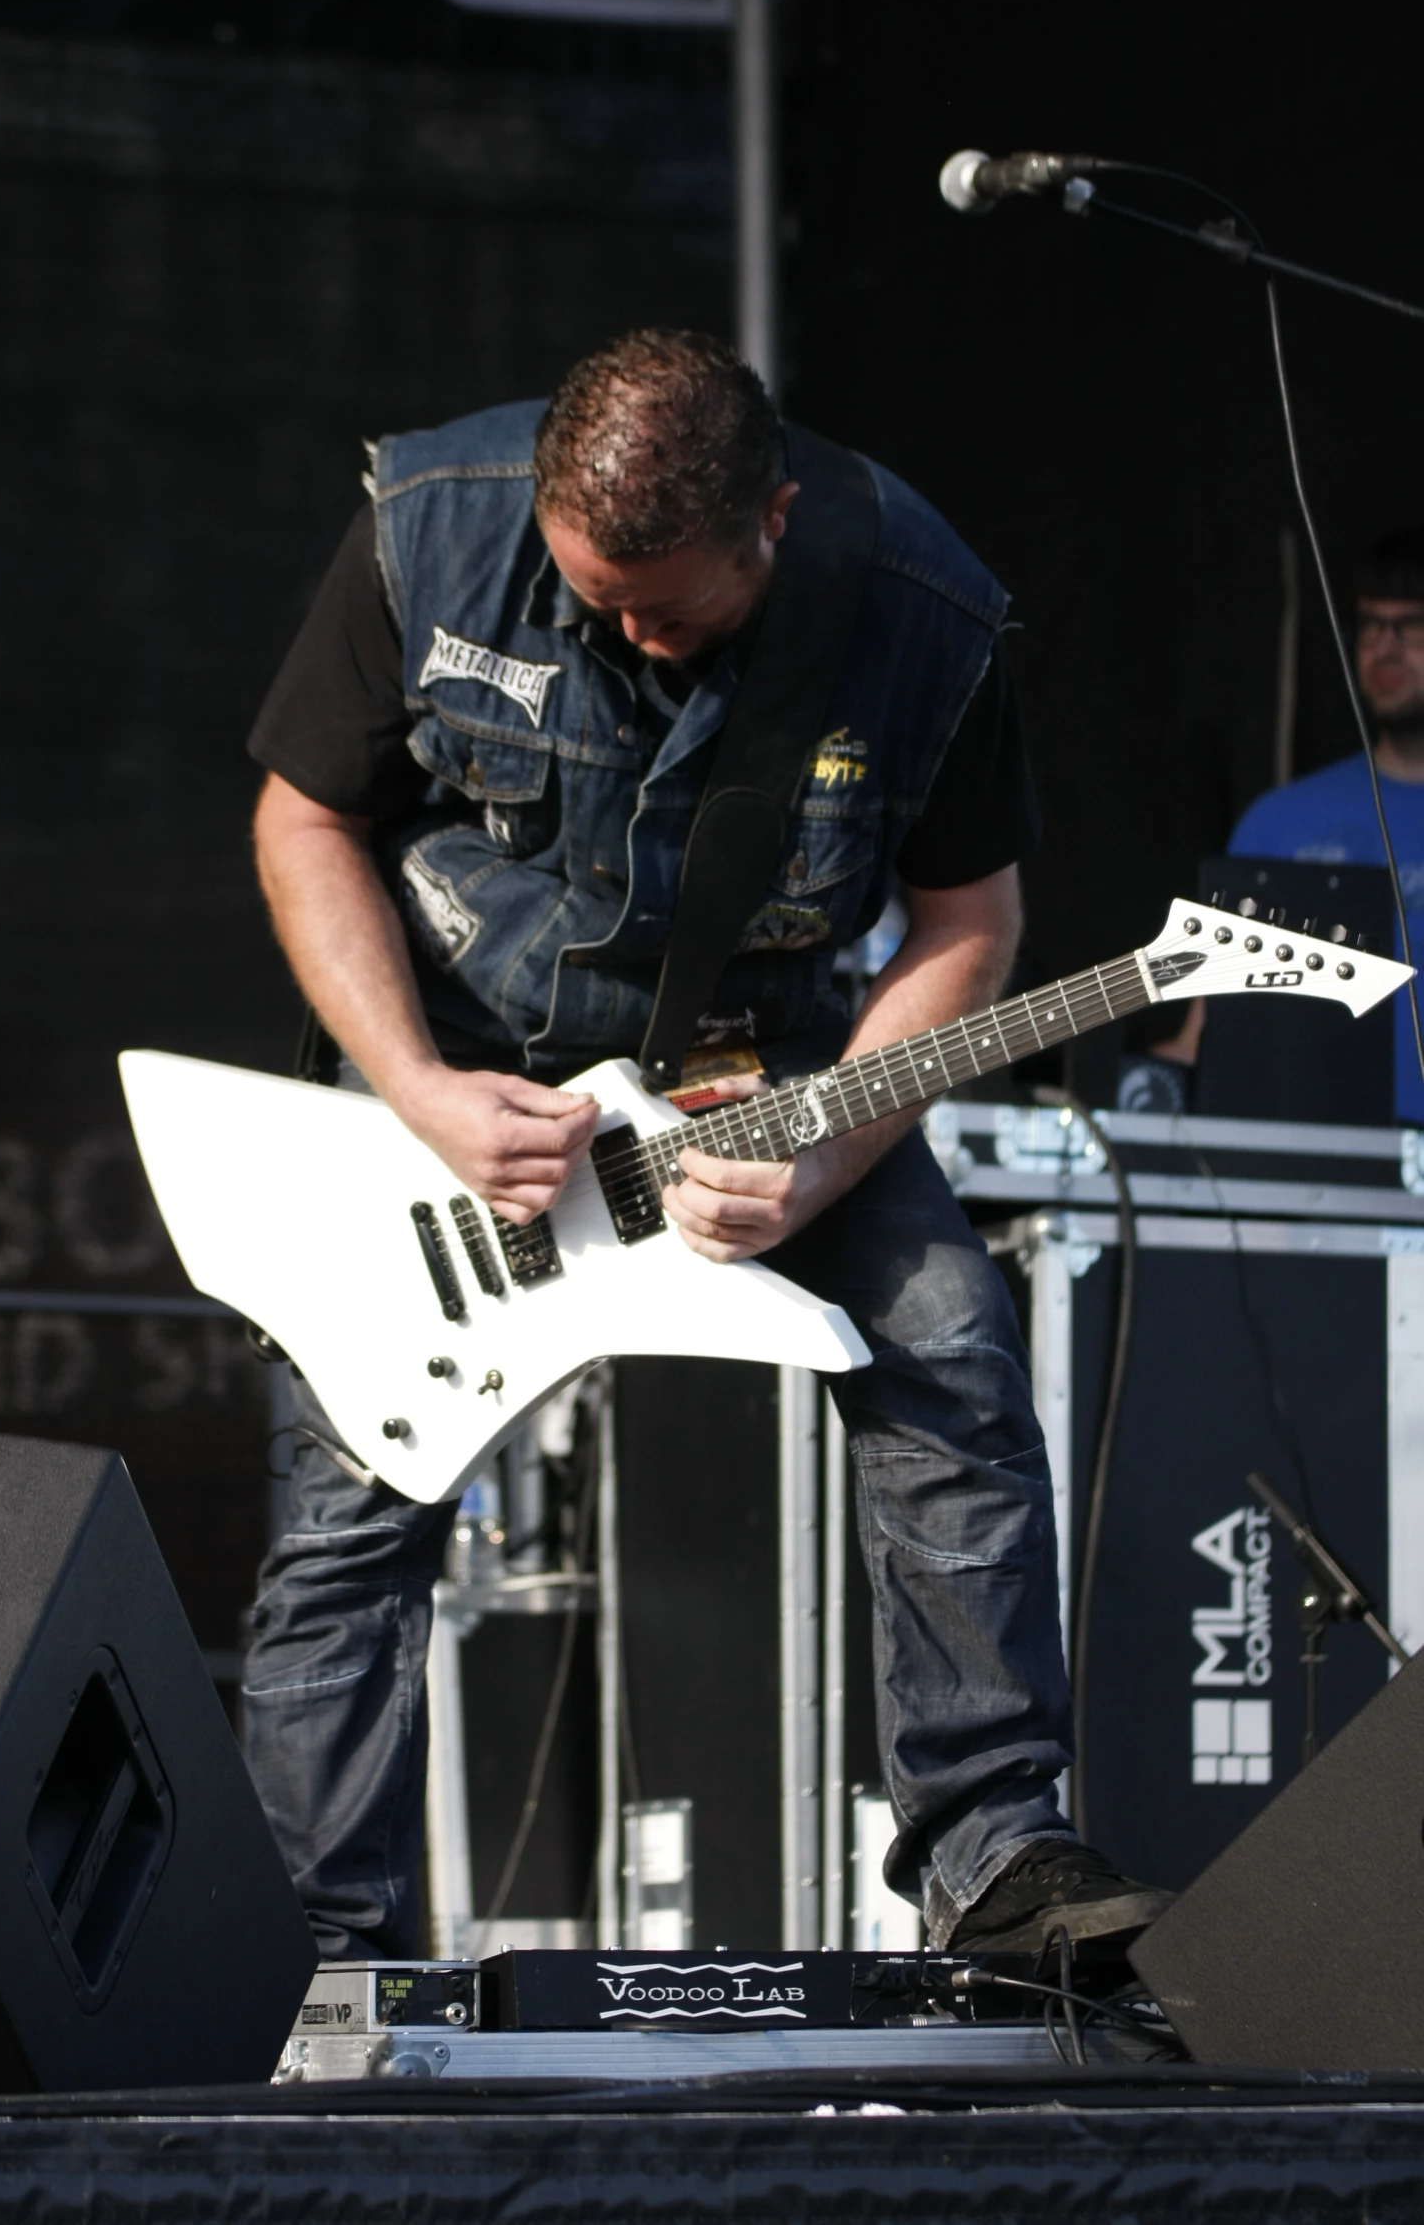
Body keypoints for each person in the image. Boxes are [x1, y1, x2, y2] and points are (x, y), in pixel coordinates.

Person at [240, 328, 1169, 1963]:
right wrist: (415, 1087)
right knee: (350, 1493)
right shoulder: (431, 524)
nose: (622, 631)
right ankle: (319, 1943)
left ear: (775, 521)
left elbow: (967, 925)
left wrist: (823, 1162)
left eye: (664, 604)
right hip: (454, 1087)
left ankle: (994, 1853)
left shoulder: (923, 620)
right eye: (591, 592)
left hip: (767, 1076)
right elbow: (304, 816)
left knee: (950, 1359)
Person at [1230, 527, 1424, 1121]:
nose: (1385, 649)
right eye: (1370, 627)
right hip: (1314, 1170)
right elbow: (1212, 1030)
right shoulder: (1280, 821)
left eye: (1411, 626)